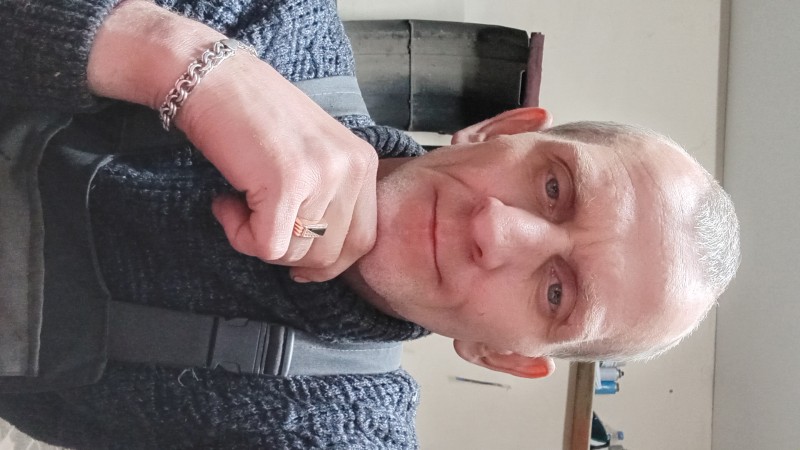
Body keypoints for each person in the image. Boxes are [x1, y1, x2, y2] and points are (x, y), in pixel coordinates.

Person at [0, 0, 740, 448]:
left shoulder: (338, 430)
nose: (497, 231)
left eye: (556, 293)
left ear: (502, 355)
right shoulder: (277, 21)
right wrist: (175, 58)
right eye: (553, 187)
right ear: (499, 129)